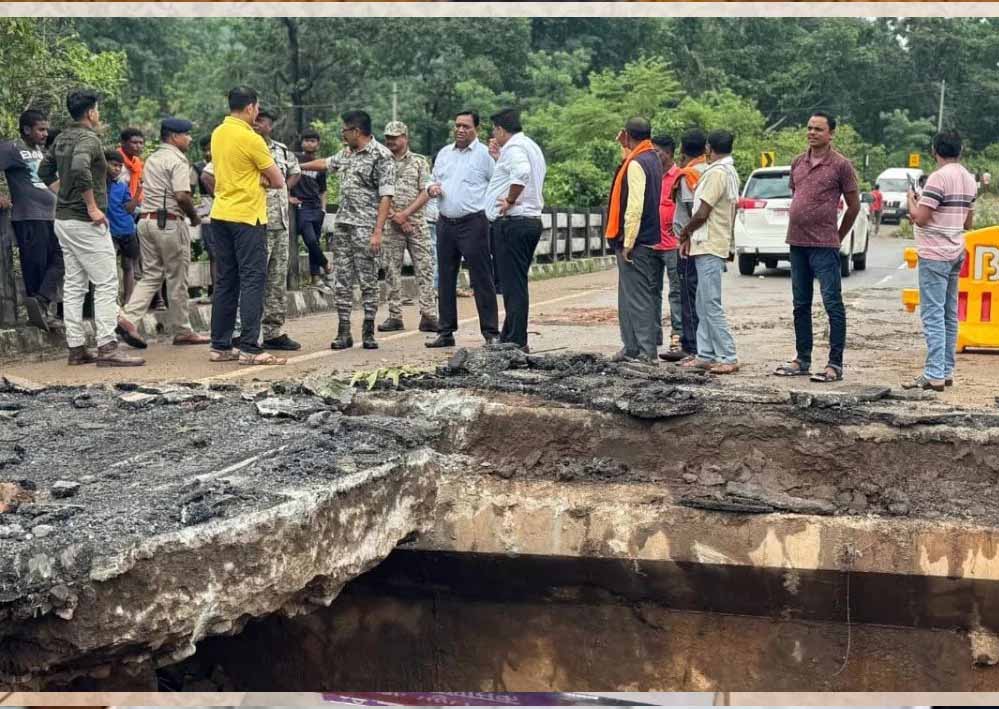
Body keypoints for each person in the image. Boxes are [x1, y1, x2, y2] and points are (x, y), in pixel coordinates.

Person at [38, 89, 144, 367]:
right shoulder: (89, 139)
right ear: (90, 113)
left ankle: (76, 347)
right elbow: (80, 166)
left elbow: (44, 171)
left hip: (63, 220)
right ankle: (107, 347)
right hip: (85, 221)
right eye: (97, 110)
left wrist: (64, 194)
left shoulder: (61, 137)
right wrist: (91, 206)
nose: (98, 114)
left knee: (74, 285)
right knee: (107, 281)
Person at [773, 111, 860, 383]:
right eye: (809, 128)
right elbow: (797, 196)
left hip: (824, 245)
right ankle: (802, 359)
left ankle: (835, 364)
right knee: (800, 304)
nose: (812, 133)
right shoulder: (798, 162)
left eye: (818, 129)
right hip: (796, 243)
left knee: (832, 303)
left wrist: (838, 235)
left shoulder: (841, 165)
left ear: (831, 134)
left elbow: (853, 205)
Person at [300, 110, 395, 350]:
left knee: (368, 280)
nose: (342, 134)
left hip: (366, 226)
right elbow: (326, 164)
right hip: (344, 225)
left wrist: (377, 231)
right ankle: (344, 331)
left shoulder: (381, 156)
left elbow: (386, 196)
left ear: (356, 131)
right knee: (342, 279)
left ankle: (368, 330)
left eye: (345, 130)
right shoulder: (347, 153)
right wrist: (297, 167)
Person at [208, 86, 286, 365]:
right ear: (251, 107)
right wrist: (260, 180)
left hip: (220, 213)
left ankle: (219, 345)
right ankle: (250, 347)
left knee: (226, 280)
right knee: (253, 279)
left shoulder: (218, 133)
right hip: (247, 216)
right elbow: (278, 180)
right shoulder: (252, 139)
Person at [117, 117, 210, 347]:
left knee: (151, 274)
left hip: (146, 220)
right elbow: (181, 195)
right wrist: (194, 216)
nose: (189, 139)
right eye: (186, 134)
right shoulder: (177, 160)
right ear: (174, 136)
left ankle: (128, 318)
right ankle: (183, 329)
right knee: (177, 277)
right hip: (168, 222)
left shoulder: (152, 158)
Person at [902, 130, 977, 392]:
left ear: (934, 151)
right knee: (949, 314)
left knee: (932, 314)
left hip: (934, 253)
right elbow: (969, 221)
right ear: (961, 150)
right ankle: (945, 371)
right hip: (957, 250)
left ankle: (933, 374)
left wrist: (912, 200)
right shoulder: (970, 179)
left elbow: (920, 218)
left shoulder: (937, 178)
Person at [424, 110, 498, 348]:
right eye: (457, 125)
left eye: (466, 126)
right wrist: (431, 188)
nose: (460, 130)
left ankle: (490, 333)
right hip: (445, 222)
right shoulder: (445, 153)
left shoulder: (485, 155)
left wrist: (492, 215)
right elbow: (431, 178)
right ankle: (445, 332)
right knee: (445, 278)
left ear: (476, 128)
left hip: (474, 222)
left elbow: (497, 183)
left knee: (481, 277)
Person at [675, 129, 740, 375]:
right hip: (711, 242)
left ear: (709, 149)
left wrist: (685, 233)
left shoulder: (716, 174)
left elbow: (702, 212)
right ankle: (706, 354)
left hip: (709, 243)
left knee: (710, 303)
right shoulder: (729, 172)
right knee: (702, 302)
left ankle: (728, 355)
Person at [484, 107, 547, 352]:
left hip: (514, 222)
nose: (493, 134)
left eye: (494, 130)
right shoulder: (529, 145)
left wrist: (510, 200)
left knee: (513, 285)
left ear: (500, 129)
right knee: (514, 283)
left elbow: (521, 172)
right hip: (528, 220)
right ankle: (509, 334)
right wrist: (499, 159)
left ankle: (517, 340)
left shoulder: (514, 147)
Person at [604, 116, 663, 364]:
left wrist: (629, 240)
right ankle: (631, 347)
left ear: (628, 134)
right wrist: (625, 147)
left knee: (638, 298)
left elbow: (634, 206)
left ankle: (646, 352)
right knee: (627, 296)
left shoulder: (637, 163)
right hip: (645, 237)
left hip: (637, 241)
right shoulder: (651, 158)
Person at [0, 109, 63, 330]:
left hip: (52, 216)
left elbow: (52, 184)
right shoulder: (12, 148)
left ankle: (42, 303)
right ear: (27, 129)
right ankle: (40, 314)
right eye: (41, 129)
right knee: (35, 265)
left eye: (46, 129)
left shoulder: (41, 151)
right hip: (29, 216)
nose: (45, 133)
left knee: (60, 260)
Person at [377, 120, 439, 334]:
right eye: (388, 138)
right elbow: (378, 192)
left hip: (416, 223)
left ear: (405, 138)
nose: (391, 141)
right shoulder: (381, 162)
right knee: (391, 270)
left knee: (425, 267)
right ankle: (395, 315)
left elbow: (426, 191)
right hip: (390, 223)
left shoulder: (420, 162)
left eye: (395, 137)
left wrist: (405, 215)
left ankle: (429, 314)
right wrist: (395, 216)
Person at [253, 107, 302, 351]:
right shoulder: (245, 145)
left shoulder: (281, 150)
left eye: (262, 121)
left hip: (280, 222)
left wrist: (282, 188)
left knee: (276, 280)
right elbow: (210, 175)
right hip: (256, 222)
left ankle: (273, 331)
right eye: (256, 119)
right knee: (253, 278)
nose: (257, 123)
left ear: (270, 125)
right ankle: (246, 332)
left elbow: (295, 172)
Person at [660, 129, 708, 363]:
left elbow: (691, 211)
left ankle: (690, 346)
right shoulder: (708, 171)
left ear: (681, 151)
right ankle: (701, 344)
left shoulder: (687, 175)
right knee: (699, 295)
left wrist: (685, 236)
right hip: (706, 243)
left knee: (687, 296)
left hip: (688, 244)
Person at [651, 134, 683, 356]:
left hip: (674, 244)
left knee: (677, 292)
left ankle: (678, 336)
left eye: (658, 153)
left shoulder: (680, 176)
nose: (654, 157)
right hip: (651, 243)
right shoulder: (649, 176)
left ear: (669, 153)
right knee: (652, 291)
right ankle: (651, 337)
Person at [292, 127, 332, 287]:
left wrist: (323, 209)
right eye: (306, 140)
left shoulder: (320, 165)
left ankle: (316, 277)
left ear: (318, 144)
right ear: (301, 143)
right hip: (302, 206)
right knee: (310, 239)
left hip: (316, 207)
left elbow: (323, 190)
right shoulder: (294, 159)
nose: (309, 144)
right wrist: (289, 196)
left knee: (314, 241)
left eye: (313, 141)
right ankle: (325, 263)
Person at [104, 150, 140, 306]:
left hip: (126, 229)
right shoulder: (97, 185)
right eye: (114, 165)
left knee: (128, 265)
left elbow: (129, 208)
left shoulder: (122, 185)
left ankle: (128, 300)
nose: (117, 169)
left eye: (120, 166)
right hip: (108, 231)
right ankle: (111, 301)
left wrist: (138, 192)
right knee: (109, 267)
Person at [193, 134, 217, 300]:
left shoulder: (225, 163)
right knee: (214, 253)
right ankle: (215, 290)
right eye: (205, 149)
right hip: (209, 211)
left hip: (229, 210)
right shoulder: (198, 167)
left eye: (211, 148)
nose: (208, 152)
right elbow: (189, 188)